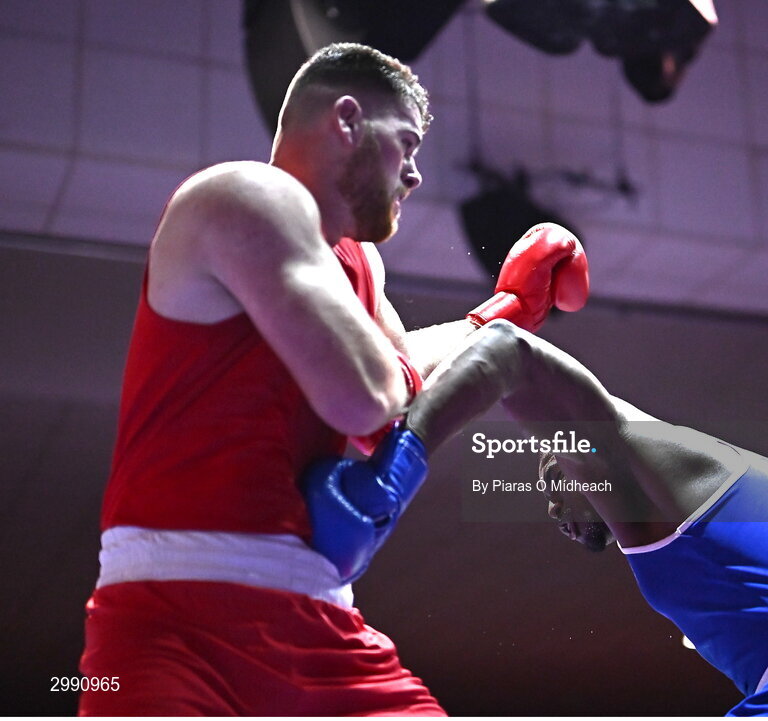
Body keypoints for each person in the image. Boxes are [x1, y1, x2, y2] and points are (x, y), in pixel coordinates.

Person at [78, 42, 588, 716]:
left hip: (318, 613)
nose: (415, 175)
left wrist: (504, 313)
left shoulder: (359, 263)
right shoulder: (244, 196)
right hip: (170, 615)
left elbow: (391, 393)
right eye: (404, 144)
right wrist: (445, 357)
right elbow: (366, 397)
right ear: (347, 121)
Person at [306, 320, 768, 716]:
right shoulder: (748, 483)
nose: (554, 502)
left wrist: (392, 472)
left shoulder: (650, 461)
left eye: (554, 469)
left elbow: (507, 352)